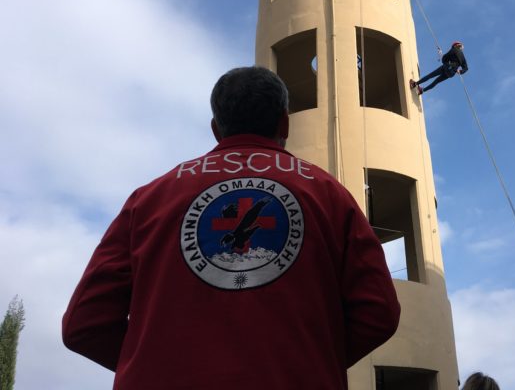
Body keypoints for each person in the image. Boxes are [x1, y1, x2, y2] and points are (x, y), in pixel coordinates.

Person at [62, 66, 401, 390]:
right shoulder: (330, 195)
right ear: (285, 123)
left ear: (216, 128)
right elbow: (379, 312)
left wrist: (154, 368)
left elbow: (84, 324)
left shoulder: (149, 198)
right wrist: (309, 365)